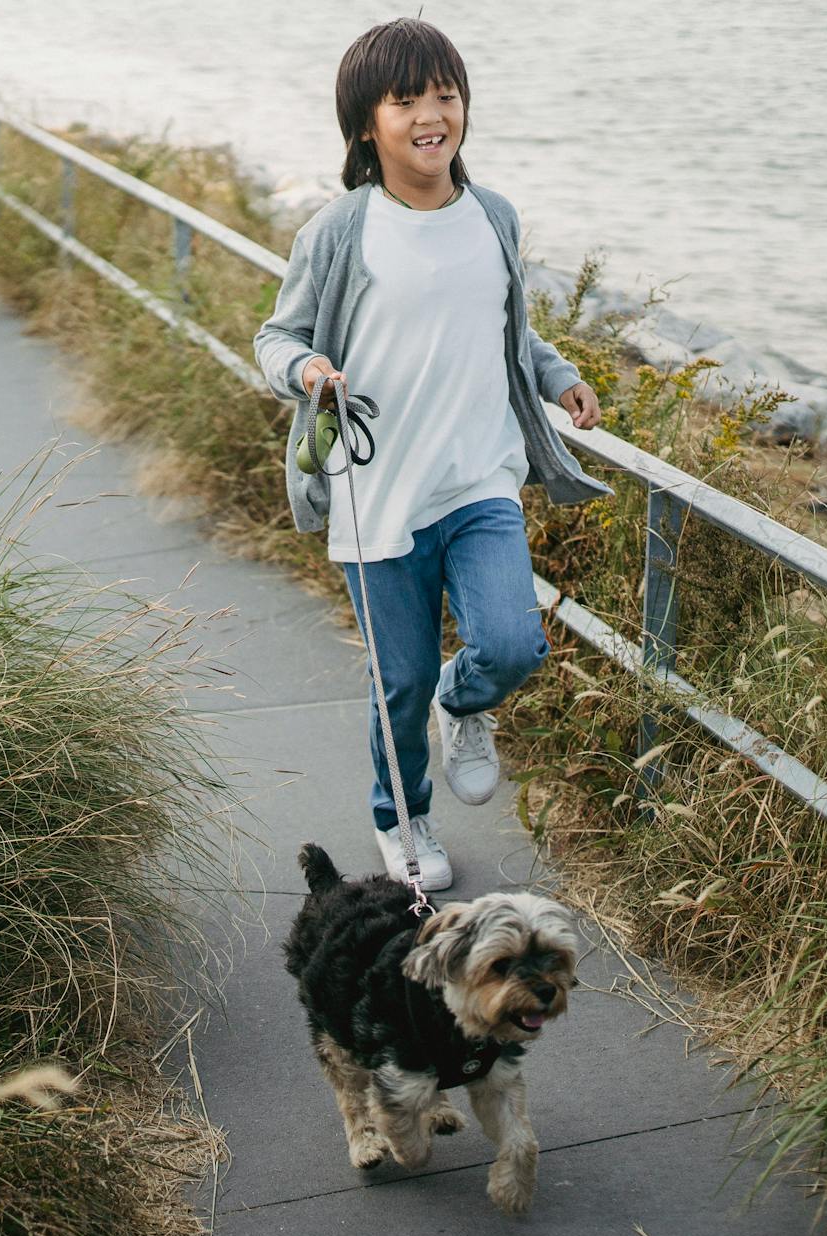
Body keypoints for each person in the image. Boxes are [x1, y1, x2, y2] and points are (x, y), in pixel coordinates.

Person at [253, 17, 611, 891]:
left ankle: (468, 700)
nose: (430, 115)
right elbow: (276, 334)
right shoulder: (340, 231)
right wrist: (305, 368)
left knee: (513, 644)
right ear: (366, 124)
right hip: (377, 493)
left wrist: (559, 376)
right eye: (405, 99)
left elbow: (510, 324)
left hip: (479, 479)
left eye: (444, 95)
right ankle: (402, 818)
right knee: (397, 683)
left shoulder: (492, 215)